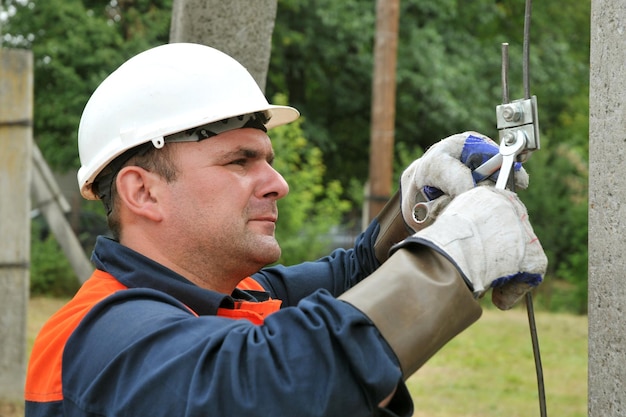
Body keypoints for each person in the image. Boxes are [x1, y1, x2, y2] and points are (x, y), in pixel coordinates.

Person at [25, 43, 547, 417]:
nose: (278, 183)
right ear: (143, 192)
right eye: (239, 161)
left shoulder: (230, 294)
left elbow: (354, 274)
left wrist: (417, 212)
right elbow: (268, 385)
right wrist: (454, 255)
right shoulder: (97, 339)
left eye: (268, 160)